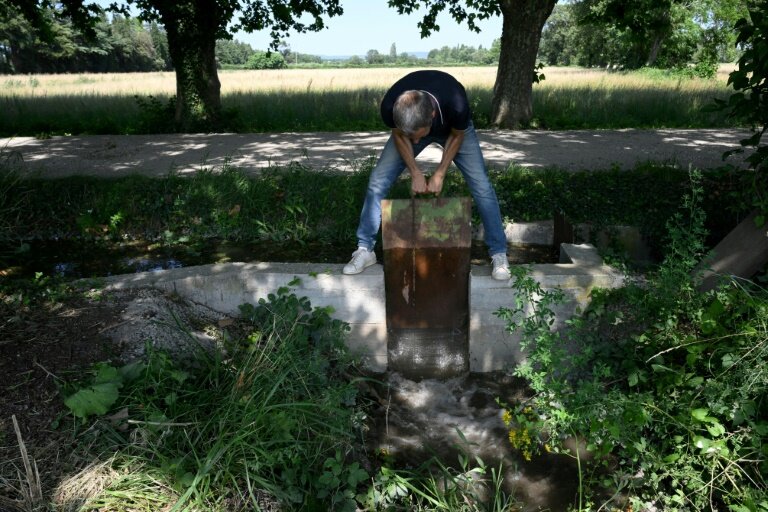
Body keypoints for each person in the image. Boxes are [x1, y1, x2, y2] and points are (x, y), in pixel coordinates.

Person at [342, 69, 511, 281]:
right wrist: (415, 172)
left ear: (431, 116)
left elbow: (457, 136)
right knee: (377, 181)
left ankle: (498, 253)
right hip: (412, 127)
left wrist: (440, 173)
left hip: (455, 130)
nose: (415, 143)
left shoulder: (456, 104)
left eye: (417, 137)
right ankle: (365, 250)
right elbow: (400, 136)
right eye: (410, 137)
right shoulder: (390, 106)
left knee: (482, 186)